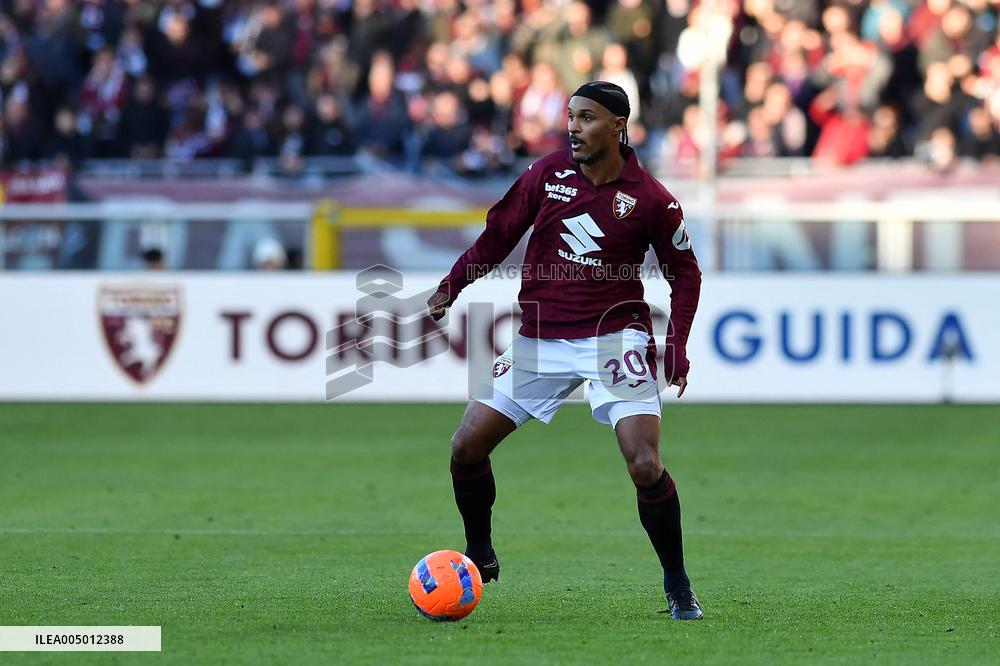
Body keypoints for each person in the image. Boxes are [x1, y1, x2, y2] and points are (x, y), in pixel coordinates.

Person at [426, 81, 703, 620]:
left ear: (618, 126)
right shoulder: (546, 174)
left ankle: (678, 583)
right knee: (465, 446)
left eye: (587, 117)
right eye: (571, 116)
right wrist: (452, 285)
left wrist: (677, 346)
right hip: (540, 340)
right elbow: (498, 235)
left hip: (614, 338)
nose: (573, 127)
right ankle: (479, 551)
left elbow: (685, 274)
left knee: (645, 464)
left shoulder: (652, 200)